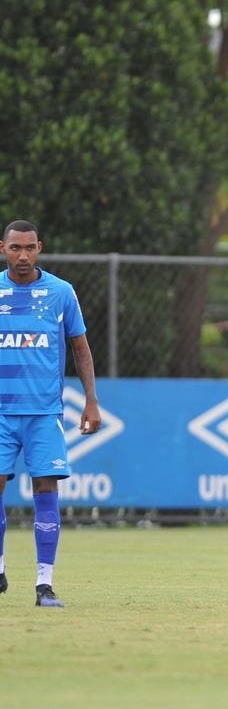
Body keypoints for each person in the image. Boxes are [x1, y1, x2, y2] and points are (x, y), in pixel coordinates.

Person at [0, 220, 102, 607]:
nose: (23, 255)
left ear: (39, 248)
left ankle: (44, 584)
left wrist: (91, 399)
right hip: (1, 412)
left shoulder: (61, 292)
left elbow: (80, 347)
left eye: (29, 247)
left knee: (46, 489)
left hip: (44, 413)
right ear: (3, 248)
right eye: (15, 248)